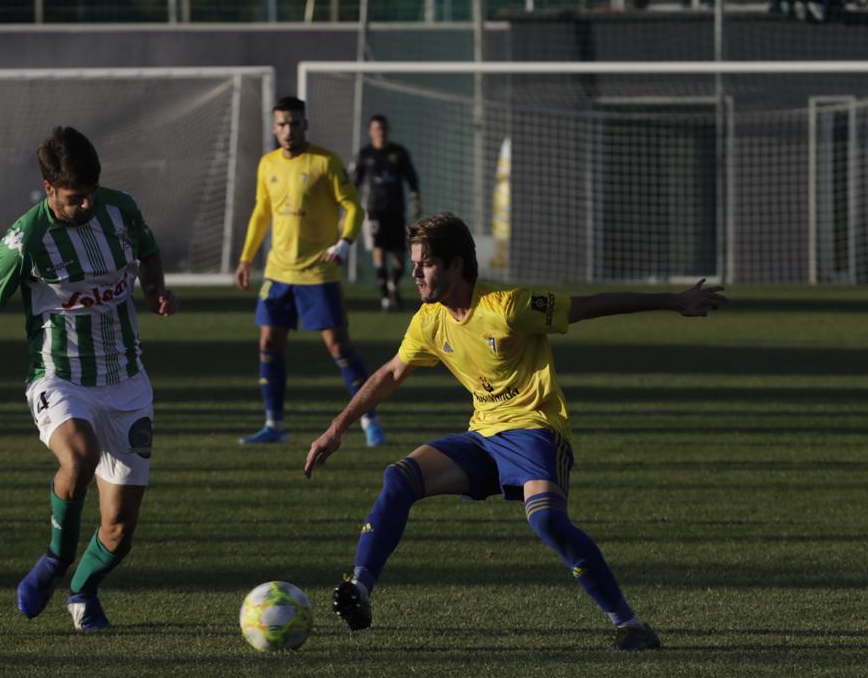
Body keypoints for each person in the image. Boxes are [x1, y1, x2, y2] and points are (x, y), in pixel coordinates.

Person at [304, 212, 727, 650]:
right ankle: (360, 588)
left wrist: (673, 300)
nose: (414, 273)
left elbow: (588, 305)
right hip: (482, 438)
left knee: (546, 519)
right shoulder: (430, 319)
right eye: (414, 263)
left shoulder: (508, 307)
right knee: (400, 476)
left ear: (455, 265)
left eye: (425, 263)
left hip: (536, 432)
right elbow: (393, 373)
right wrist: (337, 428)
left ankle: (629, 624)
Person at [0, 126, 179, 632]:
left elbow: (148, 251)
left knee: (119, 531)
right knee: (79, 456)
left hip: (127, 381)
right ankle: (55, 560)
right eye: (76, 199)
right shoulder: (24, 240)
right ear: (48, 188)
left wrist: (156, 288)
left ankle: (83, 591)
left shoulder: (121, 209)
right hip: (60, 378)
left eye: (92, 193)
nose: (88, 205)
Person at [235, 96, 386, 447]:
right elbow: (261, 213)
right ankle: (274, 425)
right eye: (283, 124)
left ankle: (370, 420)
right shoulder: (267, 164)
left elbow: (354, 207)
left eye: (295, 123)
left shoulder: (326, 162)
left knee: (338, 346)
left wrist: (345, 243)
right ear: (274, 128)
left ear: (306, 125)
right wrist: (246, 259)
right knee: (269, 343)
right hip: (278, 272)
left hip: (318, 272)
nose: (289, 130)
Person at [352, 114, 421, 313]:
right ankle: (384, 294)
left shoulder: (398, 153)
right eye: (375, 129)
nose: (379, 132)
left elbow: (411, 177)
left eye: (382, 128)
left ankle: (394, 284)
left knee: (400, 253)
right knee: (378, 248)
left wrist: (415, 197)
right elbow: (355, 182)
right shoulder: (365, 154)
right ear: (370, 132)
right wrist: (350, 207)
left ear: (387, 130)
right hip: (374, 210)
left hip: (396, 209)